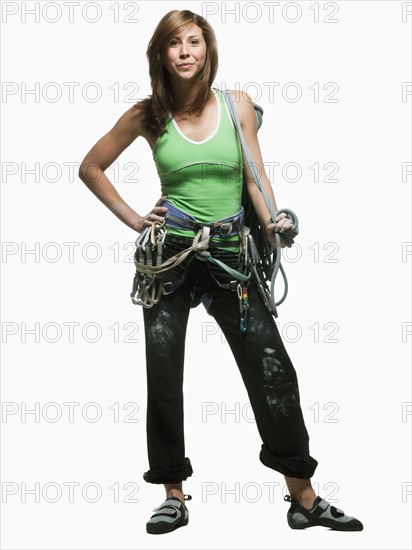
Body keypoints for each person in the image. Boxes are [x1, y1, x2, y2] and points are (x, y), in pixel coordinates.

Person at [79, 9, 363, 535]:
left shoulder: (236, 106)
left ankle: (303, 498)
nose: (186, 52)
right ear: (161, 54)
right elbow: (90, 166)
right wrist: (137, 219)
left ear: (207, 49)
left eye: (194, 42)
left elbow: (254, 177)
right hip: (170, 258)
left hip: (232, 254)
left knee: (273, 372)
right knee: (164, 375)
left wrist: (274, 222)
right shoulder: (147, 115)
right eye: (174, 44)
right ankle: (172, 494)